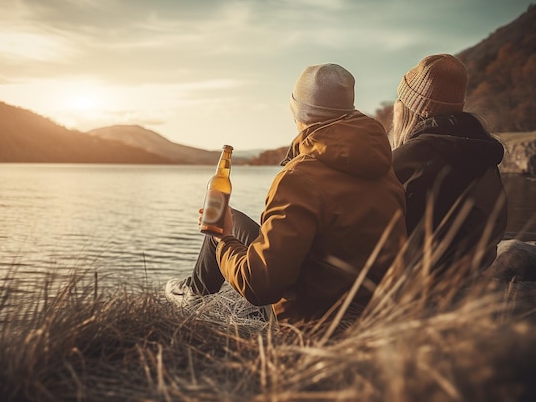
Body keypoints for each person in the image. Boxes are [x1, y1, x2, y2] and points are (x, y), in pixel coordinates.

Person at [165, 63, 407, 325]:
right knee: (231, 217)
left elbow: (260, 287)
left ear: (299, 114)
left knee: (221, 223)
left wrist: (224, 240)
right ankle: (196, 289)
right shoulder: (384, 170)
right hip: (368, 313)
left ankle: (194, 296)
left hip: (308, 322)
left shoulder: (298, 179)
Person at [391, 53, 508, 275]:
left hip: (416, 286)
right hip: (471, 276)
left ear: (412, 108)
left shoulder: (409, 159)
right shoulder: (483, 152)